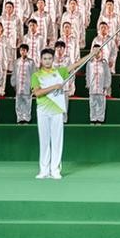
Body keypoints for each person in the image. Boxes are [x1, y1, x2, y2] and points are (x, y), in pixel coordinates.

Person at [31, 47, 95, 180]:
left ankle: (55, 170)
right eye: (45, 59)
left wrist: (91, 54)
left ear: (53, 59)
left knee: (57, 141)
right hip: (42, 111)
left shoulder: (59, 72)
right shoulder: (36, 76)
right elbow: (37, 93)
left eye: (49, 58)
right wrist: (54, 87)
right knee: (44, 141)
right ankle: (44, 170)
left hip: (57, 111)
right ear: (41, 60)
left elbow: (76, 64)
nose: (47, 61)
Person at [11, 44, 36, 124]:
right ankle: (19, 118)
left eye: (24, 50)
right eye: (21, 50)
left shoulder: (31, 62)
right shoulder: (16, 62)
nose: (23, 52)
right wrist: (14, 84)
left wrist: (33, 86)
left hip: (27, 85)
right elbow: (14, 74)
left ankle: (26, 118)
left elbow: (34, 74)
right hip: (19, 86)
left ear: (27, 51)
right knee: (18, 103)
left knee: (27, 103)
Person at [86, 45, 110, 124]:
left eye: (98, 51)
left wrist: (106, 85)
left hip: (101, 86)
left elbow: (107, 75)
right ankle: (93, 119)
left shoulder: (104, 63)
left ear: (101, 52)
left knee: (101, 103)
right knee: (92, 103)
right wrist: (88, 84)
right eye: (94, 51)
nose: (96, 53)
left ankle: (100, 119)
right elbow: (88, 75)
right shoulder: (90, 63)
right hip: (92, 86)